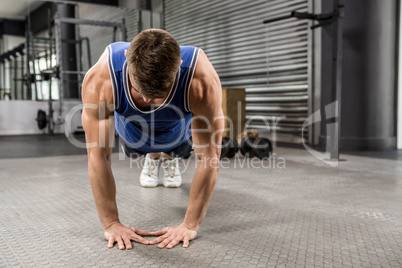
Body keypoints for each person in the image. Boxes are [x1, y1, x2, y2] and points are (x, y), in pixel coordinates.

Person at [81, 29, 223, 250]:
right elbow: (97, 156)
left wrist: (189, 225)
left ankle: (166, 156)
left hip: (178, 135)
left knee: (181, 150)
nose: (148, 99)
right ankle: (152, 156)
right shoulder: (102, 79)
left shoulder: (200, 80)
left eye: (160, 94)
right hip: (133, 135)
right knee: (132, 150)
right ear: (127, 56)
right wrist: (111, 224)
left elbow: (210, 158)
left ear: (179, 66)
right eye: (140, 91)